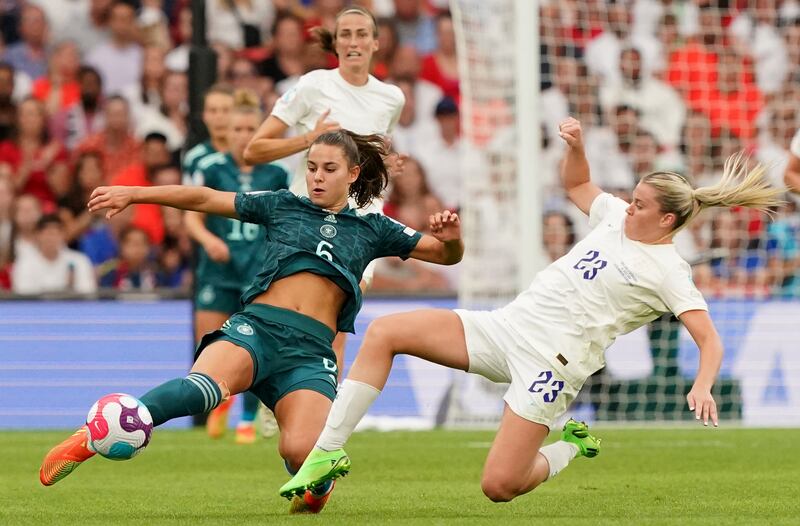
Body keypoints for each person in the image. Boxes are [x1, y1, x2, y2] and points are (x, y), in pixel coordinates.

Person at [279, 117, 785, 503]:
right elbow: (577, 185)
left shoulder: (670, 270)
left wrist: (701, 384)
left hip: (551, 367)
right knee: (386, 332)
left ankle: (572, 447)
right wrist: (578, 147)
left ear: (667, 218)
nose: (627, 206)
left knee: (499, 486)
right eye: (631, 198)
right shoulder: (613, 218)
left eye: (640, 204)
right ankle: (328, 450)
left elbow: (709, 339)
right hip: (505, 328)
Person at [38, 130, 463, 516]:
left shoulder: (374, 228)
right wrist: (135, 193)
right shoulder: (282, 205)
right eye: (311, 167)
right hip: (257, 329)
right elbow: (205, 199)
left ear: (352, 174)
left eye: (329, 169)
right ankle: (99, 433)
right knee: (201, 388)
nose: (317, 177)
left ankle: (317, 483)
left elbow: (445, 256)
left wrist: (452, 238)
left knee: (301, 453)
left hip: (310, 355)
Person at [243, 4, 404, 414]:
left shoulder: (391, 98)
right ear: (335, 43)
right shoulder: (313, 86)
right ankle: (286, 394)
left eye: (360, 34)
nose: (353, 42)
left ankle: (322, 414)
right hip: (305, 221)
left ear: (375, 43)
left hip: (361, 223)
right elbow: (254, 149)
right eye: (345, 34)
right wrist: (308, 139)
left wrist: (386, 166)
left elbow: (373, 160)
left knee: (337, 319)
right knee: (306, 319)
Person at [183, 87, 288, 444]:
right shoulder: (210, 168)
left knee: (254, 346)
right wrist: (208, 239)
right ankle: (220, 400)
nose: (243, 136)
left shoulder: (274, 174)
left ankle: (246, 418)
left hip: (257, 270)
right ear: (226, 132)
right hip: (218, 270)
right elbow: (192, 210)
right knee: (208, 345)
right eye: (237, 130)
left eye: (250, 130)